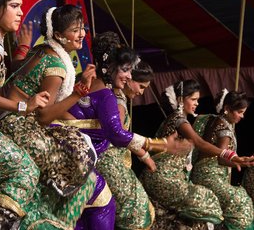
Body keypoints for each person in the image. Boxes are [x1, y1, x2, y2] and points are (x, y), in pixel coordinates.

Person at [59, 31, 191, 229]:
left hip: (67, 158)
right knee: (132, 213)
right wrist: (161, 145)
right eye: (126, 70)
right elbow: (117, 134)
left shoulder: (80, 82)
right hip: (89, 162)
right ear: (111, 65)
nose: (129, 76)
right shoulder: (107, 96)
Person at [0, 5, 98, 228]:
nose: (82, 34)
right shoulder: (56, 67)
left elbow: (17, 69)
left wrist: (23, 47)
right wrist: (79, 92)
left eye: (83, 28)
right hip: (18, 124)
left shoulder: (41, 50)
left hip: (7, 117)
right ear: (59, 36)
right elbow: (43, 116)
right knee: (82, 164)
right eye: (75, 30)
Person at [0, 0, 51, 229]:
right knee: (26, 171)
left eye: (21, 6)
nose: (21, 12)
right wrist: (22, 107)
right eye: (14, 6)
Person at [140, 80, 245, 229]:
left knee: (192, 223)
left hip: (171, 177)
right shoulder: (178, 119)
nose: (197, 104)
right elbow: (200, 143)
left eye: (198, 100)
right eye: (193, 99)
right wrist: (229, 155)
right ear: (181, 100)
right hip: (163, 176)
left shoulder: (180, 120)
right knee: (206, 199)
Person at [94, 60, 156, 229]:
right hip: (107, 161)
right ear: (129, 79)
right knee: (138, 212)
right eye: (141, 86)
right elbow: (118, 136)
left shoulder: (111, 95)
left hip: (103, 159)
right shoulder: (117, 102)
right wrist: (146, 153)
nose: (141, 93)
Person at [191, 89, 254, 229]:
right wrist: (243, 162)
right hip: (209, 176)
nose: (242, 116)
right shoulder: (223, 128)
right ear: (227, 109)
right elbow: (222, 158)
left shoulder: (214, 120)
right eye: (240, 112)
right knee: (241, 200)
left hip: (202, 172)